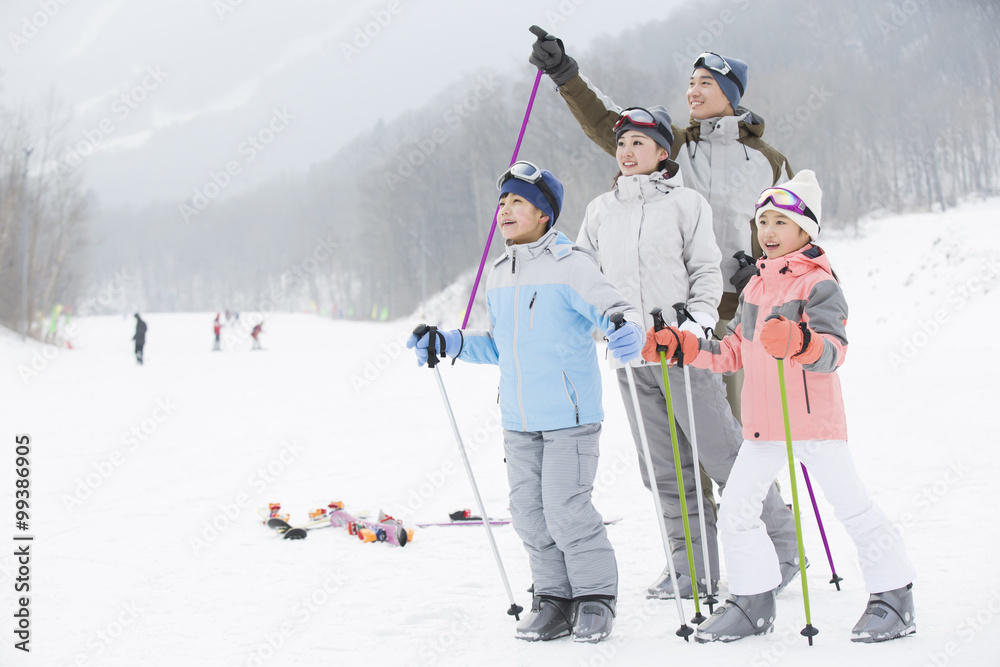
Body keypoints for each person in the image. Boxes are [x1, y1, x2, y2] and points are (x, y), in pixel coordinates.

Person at [643, 170, 916, 643]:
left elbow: (833, 350)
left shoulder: (818, 284)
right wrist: (685, 347)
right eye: (762, 221)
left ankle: (894, 596)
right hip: (764, 428)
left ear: (805, 231)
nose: (767, 232)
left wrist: (800, 341)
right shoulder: (754, 288)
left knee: (851, 507)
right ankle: (753, 602)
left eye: (779, 223)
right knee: (736, 514)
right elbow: (733, 352)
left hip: (814, 424)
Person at [407, 162, 644, 643]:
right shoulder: (499, 274)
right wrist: (450, 343)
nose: (505, 210)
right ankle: (554, 597)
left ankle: (595, 595)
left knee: (565, 508)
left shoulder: (571, 263)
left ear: (544, 214)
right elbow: (499, 346)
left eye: (517, 202)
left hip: (569, 417)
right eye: (502, 202)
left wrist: (626, 325)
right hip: (519, 418)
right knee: (528, 513)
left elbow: (613, 306)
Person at [576, 106, 798, 601]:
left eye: (639, 142)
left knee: (724, 456)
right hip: (630, 360)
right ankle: (691, 570)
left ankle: (784, 550)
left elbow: (706, 272)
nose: (627, 152)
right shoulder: (599, 211)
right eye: (621, 144)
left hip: (681, 352)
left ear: (661, 152)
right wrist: (605, 326)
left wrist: (695, 325)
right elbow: (584, 281)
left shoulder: (686, 205)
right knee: (665, 470)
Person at [529, 27, 793, 423]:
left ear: (730, 93)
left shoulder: (767, 161)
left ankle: (748, 489)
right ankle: (693, 490)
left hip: (738, 310)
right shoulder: (672, 146)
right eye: (690, 83)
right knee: (682, 428)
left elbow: (797, 234)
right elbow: (607, 122)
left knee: (737, 424)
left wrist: (768, 275)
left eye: (706, 83)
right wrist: (565, 73)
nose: (693, 91)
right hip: (675, 310)